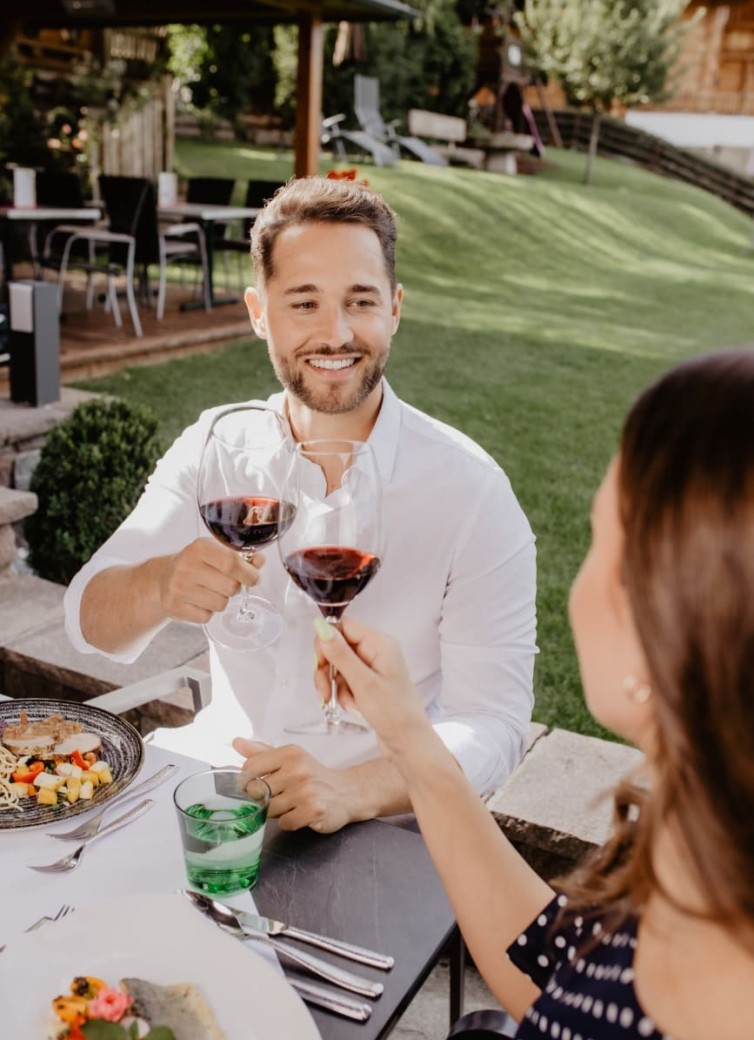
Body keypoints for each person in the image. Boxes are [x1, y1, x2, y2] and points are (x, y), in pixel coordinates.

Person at [63, 176, 537, 833]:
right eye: (304, 303)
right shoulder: (215, 449)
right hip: (218, 799)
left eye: (360, 301)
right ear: (259, 313)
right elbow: (88, 621)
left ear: (395, 309)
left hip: (385, 828)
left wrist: (354, 790)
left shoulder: (472, 491)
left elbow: (496, 724)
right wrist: (159, 583)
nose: (335, 333)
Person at [312, 348, 754, 1038]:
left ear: (667, 613)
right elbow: (560, 971)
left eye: (602, 540)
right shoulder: (713, 837)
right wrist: (406, 735)